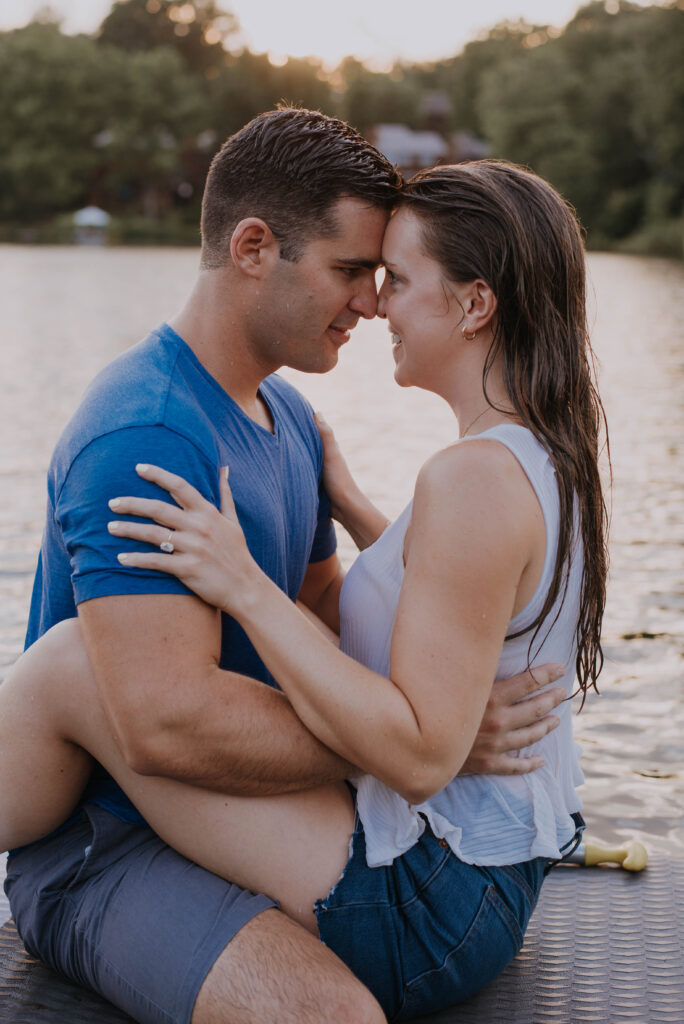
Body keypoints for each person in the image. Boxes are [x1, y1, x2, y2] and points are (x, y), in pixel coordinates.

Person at [0, 110, 565, 1024]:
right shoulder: (147, 435)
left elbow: (330, 607)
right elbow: (168, 726)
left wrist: (435, 707)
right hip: (121, 841)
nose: (371, 302)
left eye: (383, 278)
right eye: (350, 271)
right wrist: (426, 742)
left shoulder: (290, 421)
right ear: (255, 247)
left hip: (266, 820)